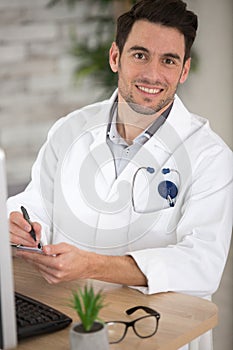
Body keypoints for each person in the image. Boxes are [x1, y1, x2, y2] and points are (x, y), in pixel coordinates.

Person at [8, 1, 232, 349]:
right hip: (70, 319)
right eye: (140, 55)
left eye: (168, 60)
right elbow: (36, 203)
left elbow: (201, 264)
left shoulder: (210, 157)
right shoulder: (70, 130)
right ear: (116, 57)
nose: (152, 74)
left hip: (157, 332)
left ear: (184, 70)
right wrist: (22, 223)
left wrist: (92, 265)